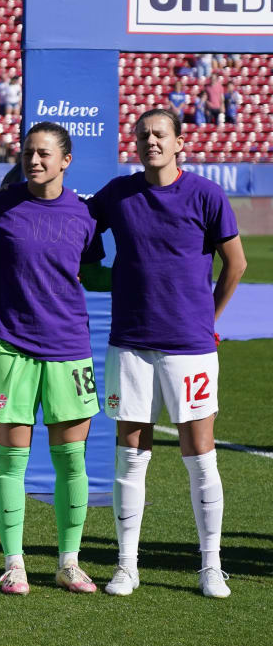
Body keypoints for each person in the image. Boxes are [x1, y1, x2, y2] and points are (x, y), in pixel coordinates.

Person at [82, 108, 246, 599]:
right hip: (130, 344)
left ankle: (211, 566)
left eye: (159, 134)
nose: (150, 141)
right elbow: (78, 228)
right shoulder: (117, 194)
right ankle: (126, 566)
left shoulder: (206, 194)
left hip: (190, 349)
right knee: (131, 456)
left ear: (179, 143)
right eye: (143, 135)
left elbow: (235, 263)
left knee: (200, 457)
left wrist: (207, 319)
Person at [0, 122, 102, 596]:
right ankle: (14, 564)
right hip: (12, 346)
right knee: (11, 461)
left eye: (44, 153)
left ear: (65, 161)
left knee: (71, 461)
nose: (34, 160)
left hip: (68, 347)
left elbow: (89, 268)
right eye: (29, 152)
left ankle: (69, 563)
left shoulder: (84, 214)